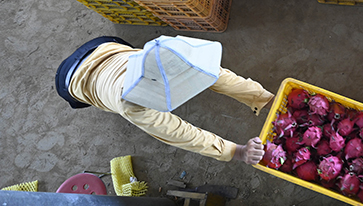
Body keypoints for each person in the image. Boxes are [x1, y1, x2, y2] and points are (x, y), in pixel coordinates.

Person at [55, 35, 273, 165]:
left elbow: (218, 75)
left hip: (105, 46)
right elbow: (179, 133)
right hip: (69, 80)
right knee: (94, 99)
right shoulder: (132, 104)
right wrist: (236, 151)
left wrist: (264, 99)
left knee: (205, 74)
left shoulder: (173, 53)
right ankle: (92, 92)